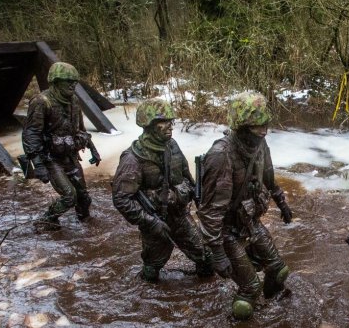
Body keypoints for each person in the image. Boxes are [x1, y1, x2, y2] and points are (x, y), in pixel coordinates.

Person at [197, 91, 294, 320]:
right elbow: (210, 211)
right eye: (256, 126)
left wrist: (282, 202)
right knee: (250, 290)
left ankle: (275, 311)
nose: (263, 131)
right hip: (226, 231)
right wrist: (217, 251)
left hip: (250, 221)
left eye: (265, 125)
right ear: (241, 126)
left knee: (279, 271)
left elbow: (269, 177)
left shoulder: (260, 145)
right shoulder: (221, 155)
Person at [111, 98, 213, 282]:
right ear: (148, 125)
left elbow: (187, 179)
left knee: (207, 259)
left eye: (170, 121)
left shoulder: (172, 147)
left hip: (180, 217)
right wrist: (150, 222)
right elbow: (121, 199)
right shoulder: (133, 159)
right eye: (163, 122)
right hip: (154, 222)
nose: (170, 126)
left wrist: (185, 194)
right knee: (152, 270)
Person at [21, 61, 96, 229]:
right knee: (69, 196)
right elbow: (31, 134)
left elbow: (81, 130)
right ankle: (46, 220)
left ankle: (86, 227)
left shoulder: (74, 101)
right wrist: (38, 164)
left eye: (74, 82)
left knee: (84, 198)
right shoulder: (41, 102)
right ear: (55, 81)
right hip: (51, 158)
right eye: (67, 81)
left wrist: (92, 149)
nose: (72, 85)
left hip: (69, 155)